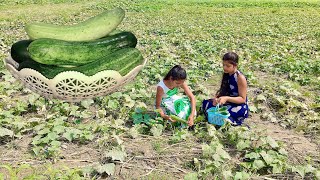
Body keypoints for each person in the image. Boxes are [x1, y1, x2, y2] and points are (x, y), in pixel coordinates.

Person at [202, 52, 249, 125]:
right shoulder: (227, 74)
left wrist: (226, 98)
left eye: (228, 66)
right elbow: (223, 91)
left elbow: (243, 99)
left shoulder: (240, 78)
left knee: (226, 114)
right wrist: (217, 99)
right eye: (223, 65)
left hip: (238, 104)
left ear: (235, 65)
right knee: (206, 103)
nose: (224, 68)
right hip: (228, 102)